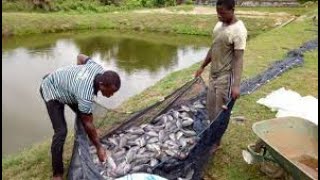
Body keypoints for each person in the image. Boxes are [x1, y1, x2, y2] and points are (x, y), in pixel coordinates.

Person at [39, 54, 121, 180]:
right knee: (61, 132)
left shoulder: (97, 68)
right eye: (110, 92)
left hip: (68, 87)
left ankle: (92, 136)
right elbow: (87, 122)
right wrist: (98, 147)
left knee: (85, 116)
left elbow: (81, 56)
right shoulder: (85, 95)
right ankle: (57, 174)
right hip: (51, 90)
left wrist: (79, 77)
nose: (111, 95)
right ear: (102, 85)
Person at [195, 0, 247, 153]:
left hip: (226, 77)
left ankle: (217, 142)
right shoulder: (219, 26)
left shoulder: (239, 30)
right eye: (218, 13)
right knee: (211, 109)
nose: (219, 16)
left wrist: (236, 85)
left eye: (223, 13)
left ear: (232, 10)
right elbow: (213, 48)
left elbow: (238, 59)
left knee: (220, 112)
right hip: (213, 74)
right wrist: (202, 66)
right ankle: (213, 135)